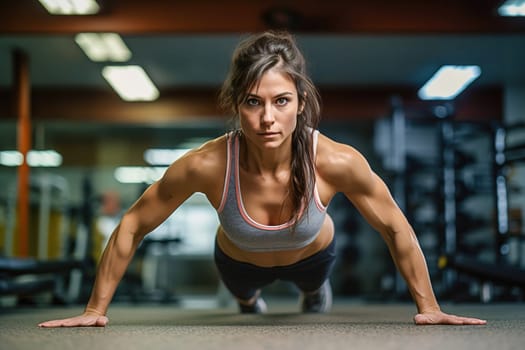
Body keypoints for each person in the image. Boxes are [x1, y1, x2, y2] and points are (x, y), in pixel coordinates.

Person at [39, 30, 486, 327]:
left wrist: (429, 307)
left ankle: (314, 292)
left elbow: (394, 225)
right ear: (236, 103)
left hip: (314, 257)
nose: (268, 118)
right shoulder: (207, 164)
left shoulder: (336, 160)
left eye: (281, 101)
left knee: (312, 289)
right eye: (253, 102)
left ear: (301, 100)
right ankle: (250, 301)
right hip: (238, 264)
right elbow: (133, 223)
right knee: (247, 302)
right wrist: (95, 310)